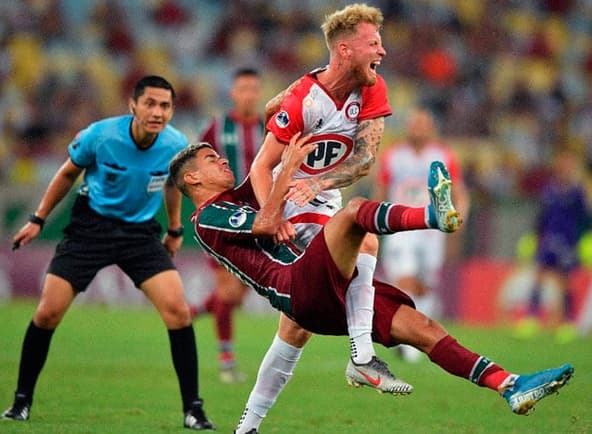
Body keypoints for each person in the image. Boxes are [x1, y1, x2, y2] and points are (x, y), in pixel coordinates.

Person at [169, 139, 574, 433]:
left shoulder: (239, 194)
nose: (221, 159)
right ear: (192, 177)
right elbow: (265, 222)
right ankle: (431, 217)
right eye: (210, 159)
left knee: (424, 329)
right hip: (295, 286)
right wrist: (288, 169)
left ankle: (508, 385)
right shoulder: (208, 216)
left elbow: (264, 167)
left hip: (321, 295)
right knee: (356, 217)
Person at [1, 76, 215, 430]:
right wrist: (38, 219)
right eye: (150, 103)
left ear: (172, 110)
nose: (157, 112)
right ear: (133, 106)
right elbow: (68, 173)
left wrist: (175, 229)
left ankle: (193, 409)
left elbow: (174, 187)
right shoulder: (101, 135)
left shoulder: (177, 145)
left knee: (178, 312)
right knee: (48, 313)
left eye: (164, 106)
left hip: (140, 235)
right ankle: (21, 401)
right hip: (91, 229)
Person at [249, 3, 427, 399]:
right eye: (374, 43)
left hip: (323, 197)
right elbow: (262, 166)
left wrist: (321, 182)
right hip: (289, 202)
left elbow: (363, 158)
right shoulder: (302, 98)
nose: (382, 52)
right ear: (345, 50)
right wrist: (272, 216)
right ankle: (362, 356)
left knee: (297, 326)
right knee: (364, 238)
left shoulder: (371, 87)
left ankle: (247, 426)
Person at [373, 107, 470, 362]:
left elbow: (459, 193)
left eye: (423, 124)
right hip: (400, 228)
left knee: (425, 286)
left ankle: (414, 336)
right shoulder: (393, 157)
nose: (418, 128)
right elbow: (381, 191)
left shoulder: (443, 156)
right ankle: (408, 342)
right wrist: (373, 223)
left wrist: (459, 219)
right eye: (414, 123)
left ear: (431, 128)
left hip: (431, 232)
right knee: (404, 280)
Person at [192, 67, 265, 383]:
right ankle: (226, 359)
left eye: (253, 88)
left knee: (236, 294)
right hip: (223, 215)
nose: (248, 94)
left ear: (259, 93)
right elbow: (196, 165)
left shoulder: (270, 128)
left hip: (260, 221)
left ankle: (194, 312)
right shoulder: (217, 129)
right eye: (242, 88)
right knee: (229, 289)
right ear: (233, 93)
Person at [514, 147, 590, 343]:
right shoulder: (549, 189)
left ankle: (566, 322)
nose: (564, 168)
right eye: (562, 164)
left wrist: (582, 240)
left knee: (564, 282)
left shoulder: (576, 192)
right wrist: (535, 236)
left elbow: (585, 219)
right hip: (548, 240)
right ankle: (531, 319)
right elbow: (542, 217)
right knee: (538, 277)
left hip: (567, 242)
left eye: (568, 165)